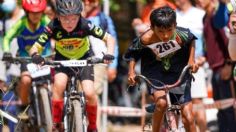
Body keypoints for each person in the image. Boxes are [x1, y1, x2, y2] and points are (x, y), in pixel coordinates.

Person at [29, 0, 115, 131]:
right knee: (59, 85)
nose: (69, 23)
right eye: (65, 19)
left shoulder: (85, 24)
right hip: (62, 59)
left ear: (79, 16)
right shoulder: (53, 26)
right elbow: (35, 46)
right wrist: (35, 55)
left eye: (73, 19)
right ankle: (57, 123)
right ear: (58, 16)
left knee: (90, 93)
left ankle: (92, 126)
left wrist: (109, 53)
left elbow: (109, 38)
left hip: (84, 58)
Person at [124, 6, 198, 132]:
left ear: (175, 25)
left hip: (179, 72)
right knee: (161, 104)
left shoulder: (182, 34)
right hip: (155, 72)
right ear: (152, 28)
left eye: (169, 30)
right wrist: (131, 73)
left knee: (189, 117)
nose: (165, 35)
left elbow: (192, 41)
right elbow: (132, 54)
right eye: (160, 31)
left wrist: (191, 60)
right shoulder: (145, 39)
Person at [2, 0, 50, 119]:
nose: (35, 15)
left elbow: (59, 33)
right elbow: (7, 38)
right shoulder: (21, 23)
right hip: (26, 59)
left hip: (45, 58)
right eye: (32, 12)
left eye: (38, 12)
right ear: (27, 12)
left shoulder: (46, 22)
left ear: (42, 12)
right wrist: (7, 51)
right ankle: (23, 107)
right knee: (25, 80)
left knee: (55, 84)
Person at [196, 0, 236, 131]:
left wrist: (229, 64)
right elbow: (210, 44)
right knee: (220, 108)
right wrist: (204, 57)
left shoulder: (218, 15)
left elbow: (227, 40)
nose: (198, 1)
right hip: (214, 69)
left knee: (229, 109)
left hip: (224, 68)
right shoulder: (204, 17)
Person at [174, 0, 208, 131]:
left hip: (196, 66)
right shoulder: (172, 15)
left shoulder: (200, 14)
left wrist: (205, 57)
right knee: (177, 103)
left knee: (198, 102)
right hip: (176, 68)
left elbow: (209, 39)